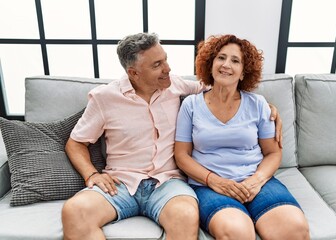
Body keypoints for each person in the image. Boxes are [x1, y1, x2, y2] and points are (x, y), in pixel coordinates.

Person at [61, 32, 283, 240]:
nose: (167, 68)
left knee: (185, 215)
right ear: (134, 73)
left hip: (167, 183)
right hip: (121, 182)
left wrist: (267, 108)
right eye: (157, 65)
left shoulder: (175, 85)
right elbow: (76, 142)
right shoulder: (104, 98)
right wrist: (91, 174)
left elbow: (223, 88)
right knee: (74, 211)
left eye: (165, 60)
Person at [174, 34, 310, 240]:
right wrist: (214, 181)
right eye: (221, 58)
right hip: (209, 185)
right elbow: (182, 155)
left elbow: (273, 153)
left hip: (256, 181)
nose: (226, 65)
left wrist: (257, 180)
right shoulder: (191, 105)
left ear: (243, 72)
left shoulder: (258, 104)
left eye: (235, 61)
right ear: (210, 64)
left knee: (294, 229)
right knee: (237, 232)